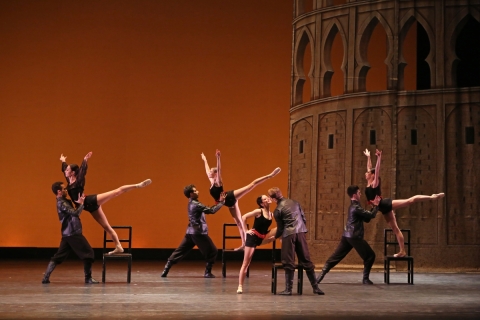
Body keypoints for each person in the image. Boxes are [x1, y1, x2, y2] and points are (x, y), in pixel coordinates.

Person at [60, 152, 152, 254]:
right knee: (107, 227)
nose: (65, 171)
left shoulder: (79, 181)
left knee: (116, 192)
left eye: (68, 170)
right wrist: (63, 160)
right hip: (88, 207)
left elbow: (82, 170)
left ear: (73, 172)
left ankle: (138, 185)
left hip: (89, 201)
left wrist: (85, 160)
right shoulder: (69, 180)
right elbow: (64, 167)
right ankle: (118, 246)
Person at [364, 149, 445, 257]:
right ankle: (402, 251)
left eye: (368, 173)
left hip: (385, 204)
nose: (366, 172)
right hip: (382, 209)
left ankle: (431, 197)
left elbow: (377, 169)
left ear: (373, 175)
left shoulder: (374, 183)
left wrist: (379, 158)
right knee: (395, 229)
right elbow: (370, 167)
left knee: (409, 201)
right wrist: (368, 157)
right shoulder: (369, 182)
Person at [201, 150, 280, 250]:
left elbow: (219, 170)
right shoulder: (212, 181)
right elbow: (207, 170)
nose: (209, 174)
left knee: (251, 185)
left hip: (230, 196)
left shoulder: (217, 181)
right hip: (227, 203)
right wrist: (204, 159)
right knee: (239, 222)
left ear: (215, 174)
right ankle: (244, 244)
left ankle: (270, 175)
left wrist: (218, 158)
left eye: (211, 173)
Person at [316, 185, 381, 285]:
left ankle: (319, 277)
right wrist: (376, 206)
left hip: (347, 236)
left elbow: (367, 219)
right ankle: (365, 279)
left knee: (336, 257)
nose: (360, 194)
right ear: (354, 195)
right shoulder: (356, 207)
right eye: (359, 193)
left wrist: (373, 207)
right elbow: (371, 215)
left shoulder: (354, 206)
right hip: (354, 236)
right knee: (370, 256)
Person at [160, 184, 226, 278]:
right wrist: (222, 202)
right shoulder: (196, 204)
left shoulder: (191, 203)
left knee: (180, 251)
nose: (197, 191)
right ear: (191, 194)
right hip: (198, 233)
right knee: (213, 251)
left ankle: (166, 269)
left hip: (190, 232)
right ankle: (207, 272)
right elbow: (211, 210)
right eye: (195, 191)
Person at [268, 187, 324, 296]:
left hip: (289, 235)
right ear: (280, 193)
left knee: (288, 261)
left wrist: (275, 237)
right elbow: (303, 218)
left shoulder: (278, 210)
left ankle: (288, 289)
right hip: (301, 232)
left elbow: (280, 228)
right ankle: (316, 287)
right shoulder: (295, 202)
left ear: (273, 199)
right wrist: (300, 229)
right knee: (306, 260)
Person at [42, 182, 99, 284]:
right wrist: (81, 204)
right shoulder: (62, 203)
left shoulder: (64, 201)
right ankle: (88, 278)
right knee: (88, 253)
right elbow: (75, 213)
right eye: (64, 189)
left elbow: (73, 212)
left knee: (59, 256)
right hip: (72, 233)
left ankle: (45, 277)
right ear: (59, 191)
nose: (66, 190)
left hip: (67, 233)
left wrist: (78, 203)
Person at [237, 195, 277, 294]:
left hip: (263, 236)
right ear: (262, 203)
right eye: (265, 199)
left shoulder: (271, 214)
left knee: (281, 229)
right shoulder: (259, 211)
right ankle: (240, 286)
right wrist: (246, 230)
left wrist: (275, 236)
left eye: (267, 197)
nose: (267, 199)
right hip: (253, 237)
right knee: (246, 263)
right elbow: (244, 217)